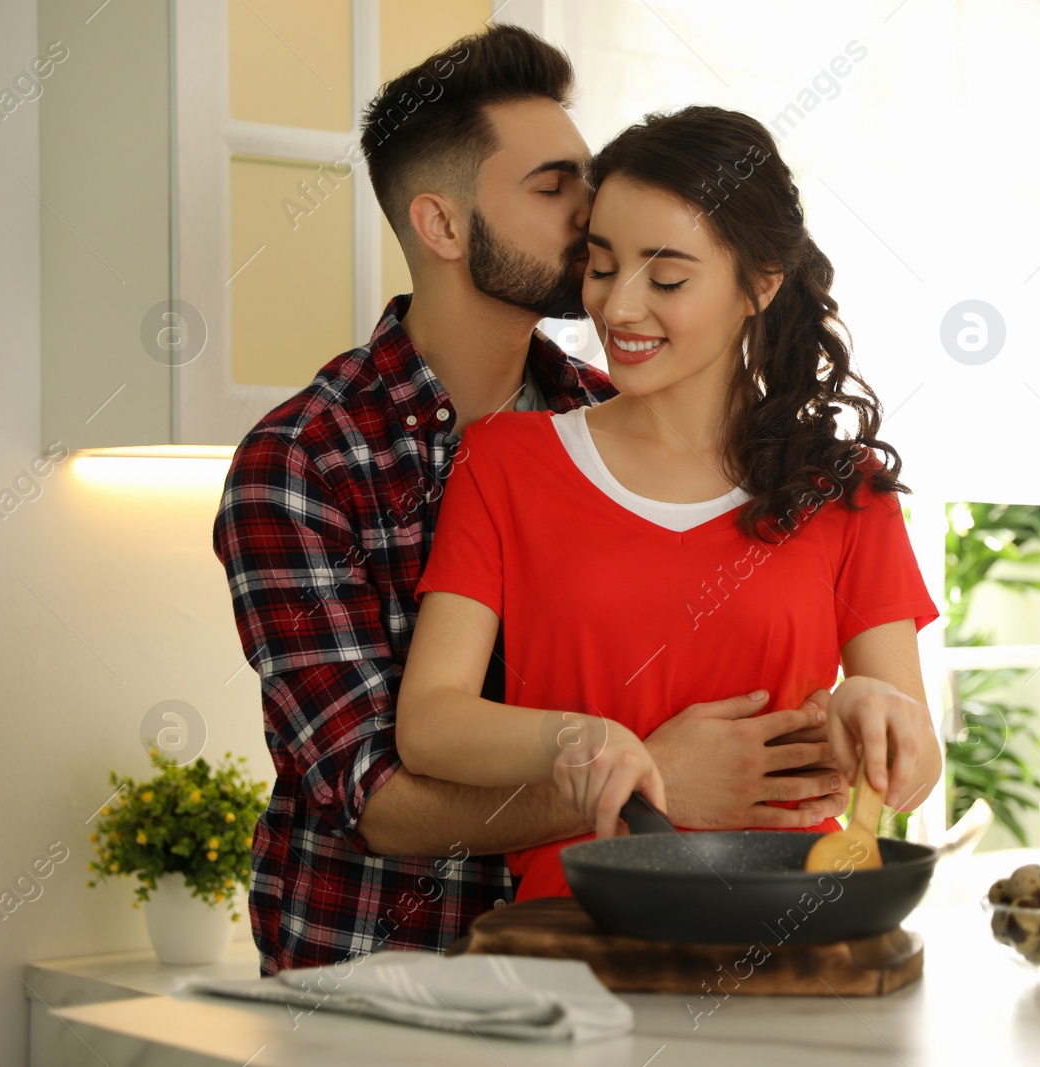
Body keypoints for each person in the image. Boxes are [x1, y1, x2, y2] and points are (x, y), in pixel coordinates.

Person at [213, 26, 846, 976]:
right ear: (444, 226)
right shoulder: (300, 464)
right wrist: (650, 776)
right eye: (554, 188)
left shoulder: (610, 421)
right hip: (378, 979)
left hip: (592, 964)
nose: (592, 211)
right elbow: (375, 799)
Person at [395, 106, 943, 900]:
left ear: (760, 284)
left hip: (788, 928)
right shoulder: (508, 462)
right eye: (603, 264)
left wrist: (871, 710)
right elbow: (430, 724)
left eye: (669, 277)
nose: (618, 309)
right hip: (576, 939)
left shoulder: (842, 488)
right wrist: (588, 741)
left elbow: (915, 759)